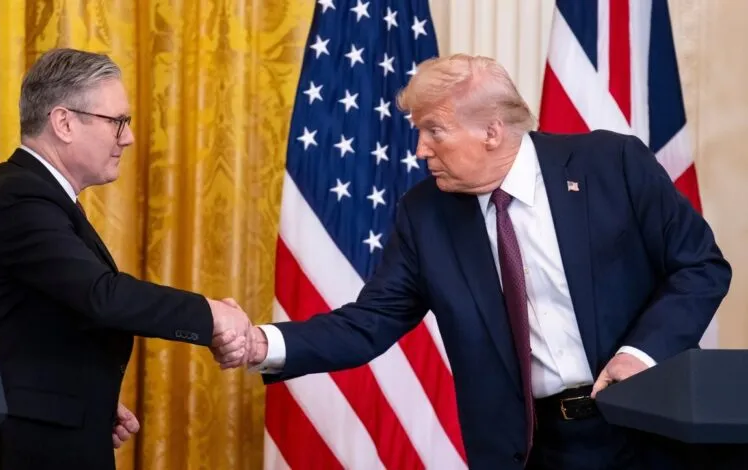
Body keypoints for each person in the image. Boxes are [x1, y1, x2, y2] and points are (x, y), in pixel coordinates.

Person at [216, 54, 732, 469]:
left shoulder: (610, 164)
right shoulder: (425, 216)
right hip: (527, 446)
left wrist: (639, 356)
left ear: (491, 131)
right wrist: (264, 342)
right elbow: (368, 323)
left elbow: (701, 267)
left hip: (640, 430)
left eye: (434, 131)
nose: (420, 150)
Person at [0, 48, 250, 470]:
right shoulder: (18, 197)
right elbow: (101, 295)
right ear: (63, 122)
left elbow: (28, 320)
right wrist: (209, 316)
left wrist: (84, 394)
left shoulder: (31, 193)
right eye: (117, 121)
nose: (128, 137)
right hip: (21, 448)